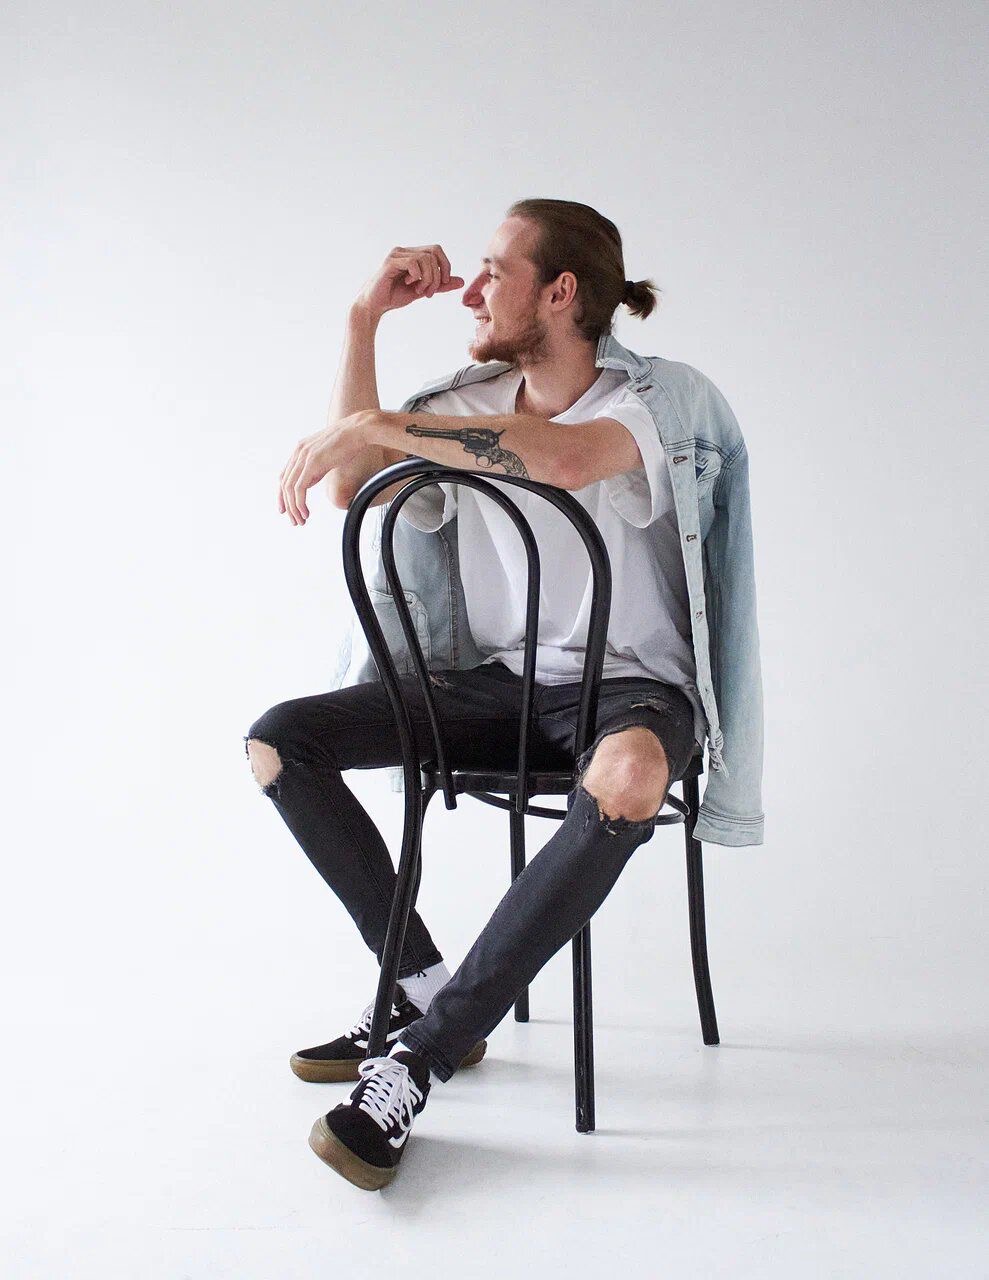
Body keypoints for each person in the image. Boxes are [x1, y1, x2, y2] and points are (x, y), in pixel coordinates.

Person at [244, 198, 759, 1191]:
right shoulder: (465, 401)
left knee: (628, 775)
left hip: (632, 691)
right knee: (279, 743)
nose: (469, 292)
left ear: (559, 292)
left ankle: (418, 1059)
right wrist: (362, 322)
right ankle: (417, 982)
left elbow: (565, 460)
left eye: (492, 271)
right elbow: (352, 482)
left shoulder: (656, 401)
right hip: (503, 686)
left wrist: (374, 424)